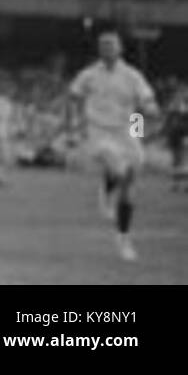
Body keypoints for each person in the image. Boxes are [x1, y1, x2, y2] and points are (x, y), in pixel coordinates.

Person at [67, 30, 159, 262]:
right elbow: (73, 96)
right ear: (99, 50)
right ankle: (111, 200)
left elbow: (146, 99)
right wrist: (73, 124)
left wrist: (150, 108)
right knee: (120, 171)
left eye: (112, 45)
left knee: (129, 184)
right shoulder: (88, 74)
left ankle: (122, 234)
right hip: (98, 133)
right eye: (103, 45)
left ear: (120, 49)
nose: (107, 49)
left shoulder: (132, 75)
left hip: (126, 133)